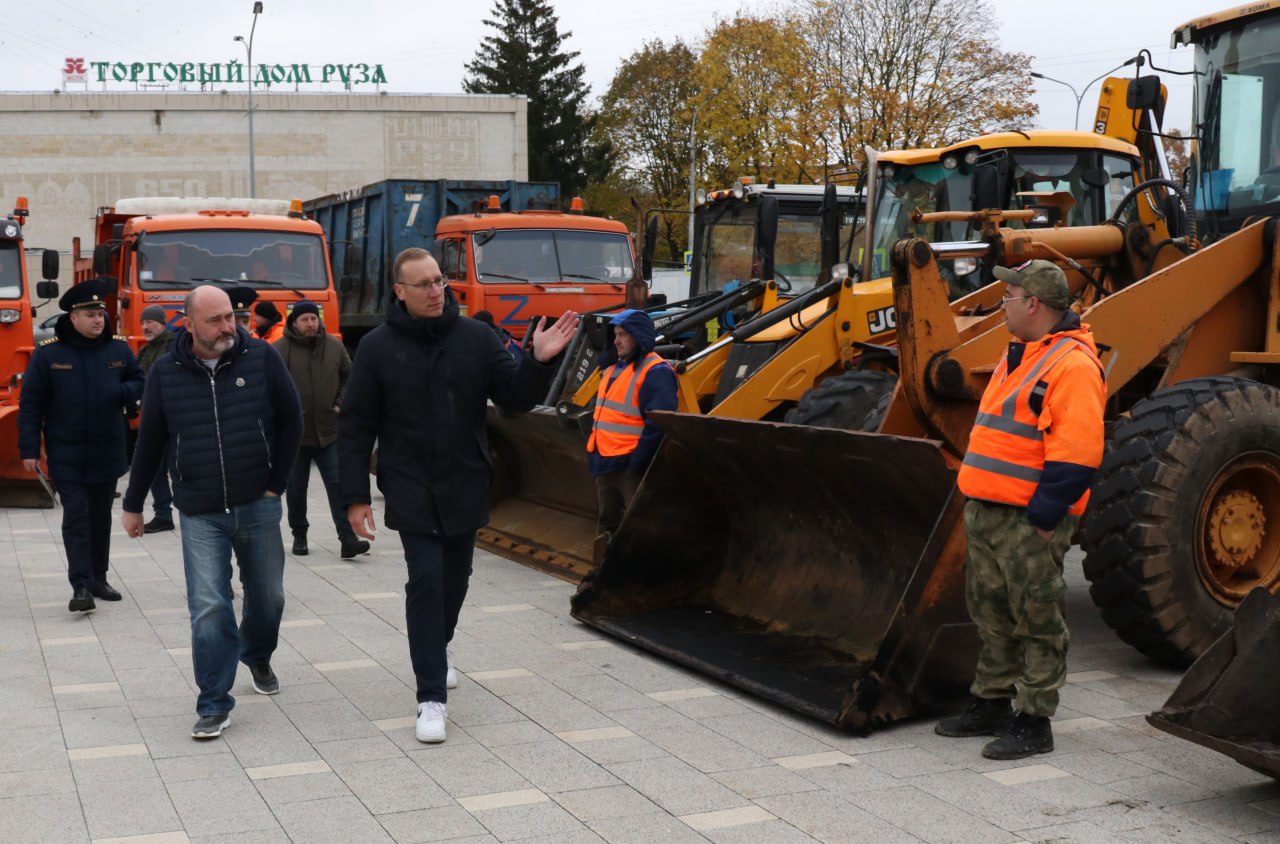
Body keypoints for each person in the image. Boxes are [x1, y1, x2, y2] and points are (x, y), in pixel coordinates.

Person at [339, 247, 579, 744]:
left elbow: (515, 400)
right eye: (423, 284)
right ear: (399, 291)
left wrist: (538, 360)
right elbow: (357, 426)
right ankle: (431, 697)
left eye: (439, 281)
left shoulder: (476, 337)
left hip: (466, 480)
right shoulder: (378, 348)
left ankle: (438, 644)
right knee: (426, 582)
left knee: (456, 580)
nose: (435, 291)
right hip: (409, 484)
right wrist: (354, 497)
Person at [935, 259, 1105, 760]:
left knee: (1037, 620)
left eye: (1007, 297)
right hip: (989, 510)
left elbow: (1078, 454)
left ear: (1033, 303)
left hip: (1026, 519)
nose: (1001, 305)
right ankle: (991, 701)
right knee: (991, 614)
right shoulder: (1020, 355)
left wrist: (1045, 518)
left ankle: (1034, 720)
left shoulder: (1072, 365)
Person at [121, 285, 302, 740]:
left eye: (231, 317)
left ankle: (256, 655)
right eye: (216, 320)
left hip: (257, 502)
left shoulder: (261, 358)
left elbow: (291, 420)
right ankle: (214, 701)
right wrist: (133, 503)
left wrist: (276, 484)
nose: (228, 327)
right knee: (208, 605)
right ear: (189, 324)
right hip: (200, 509)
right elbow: (151, 441)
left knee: (269, 596)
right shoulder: (165, 373)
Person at [18, 279, 145, 612]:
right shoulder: (49, 354)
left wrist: (121, 393)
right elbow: (31, 404)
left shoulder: (118, 350)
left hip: (107, 450)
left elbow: (139, 380)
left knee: (100, 518)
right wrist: (28, 449)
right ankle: (81, 585)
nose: (98, 320)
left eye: (100, 314)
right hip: (67, 452)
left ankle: (99, 578)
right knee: (76, 516)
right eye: (90, 315)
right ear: (73, 318)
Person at [273, 299, 368, 559]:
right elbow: (271, 386)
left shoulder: (334, 346)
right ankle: (299, 534)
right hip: (295, 435)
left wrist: (340, 402)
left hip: (329, 431)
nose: (310, 324)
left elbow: (350, 375)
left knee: (338, 486)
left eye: (314, 318)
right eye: (304, 319)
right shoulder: (279, 349)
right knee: (296, 488)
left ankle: (347, 537)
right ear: (294, 322)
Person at [585, 308, 677, 544]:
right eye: (615, 334)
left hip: (629, 464)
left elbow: (659, 423)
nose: (616, 340)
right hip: (605, 460)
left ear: (638, 335)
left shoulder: (656, 371)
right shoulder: (613, 369)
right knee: (609, 522)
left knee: (640, 526)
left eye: (623, 334)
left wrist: (638, 463)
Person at [136, 304, 175, 533]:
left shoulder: (173, 346)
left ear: (162, 323)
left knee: (179, 468)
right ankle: (163, 515)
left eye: (150, 322)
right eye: (143, 322)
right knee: (156, 470)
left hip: (173, 419)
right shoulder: (145, 350)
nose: (145, 326)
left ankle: (191, 512)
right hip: (153, 420)